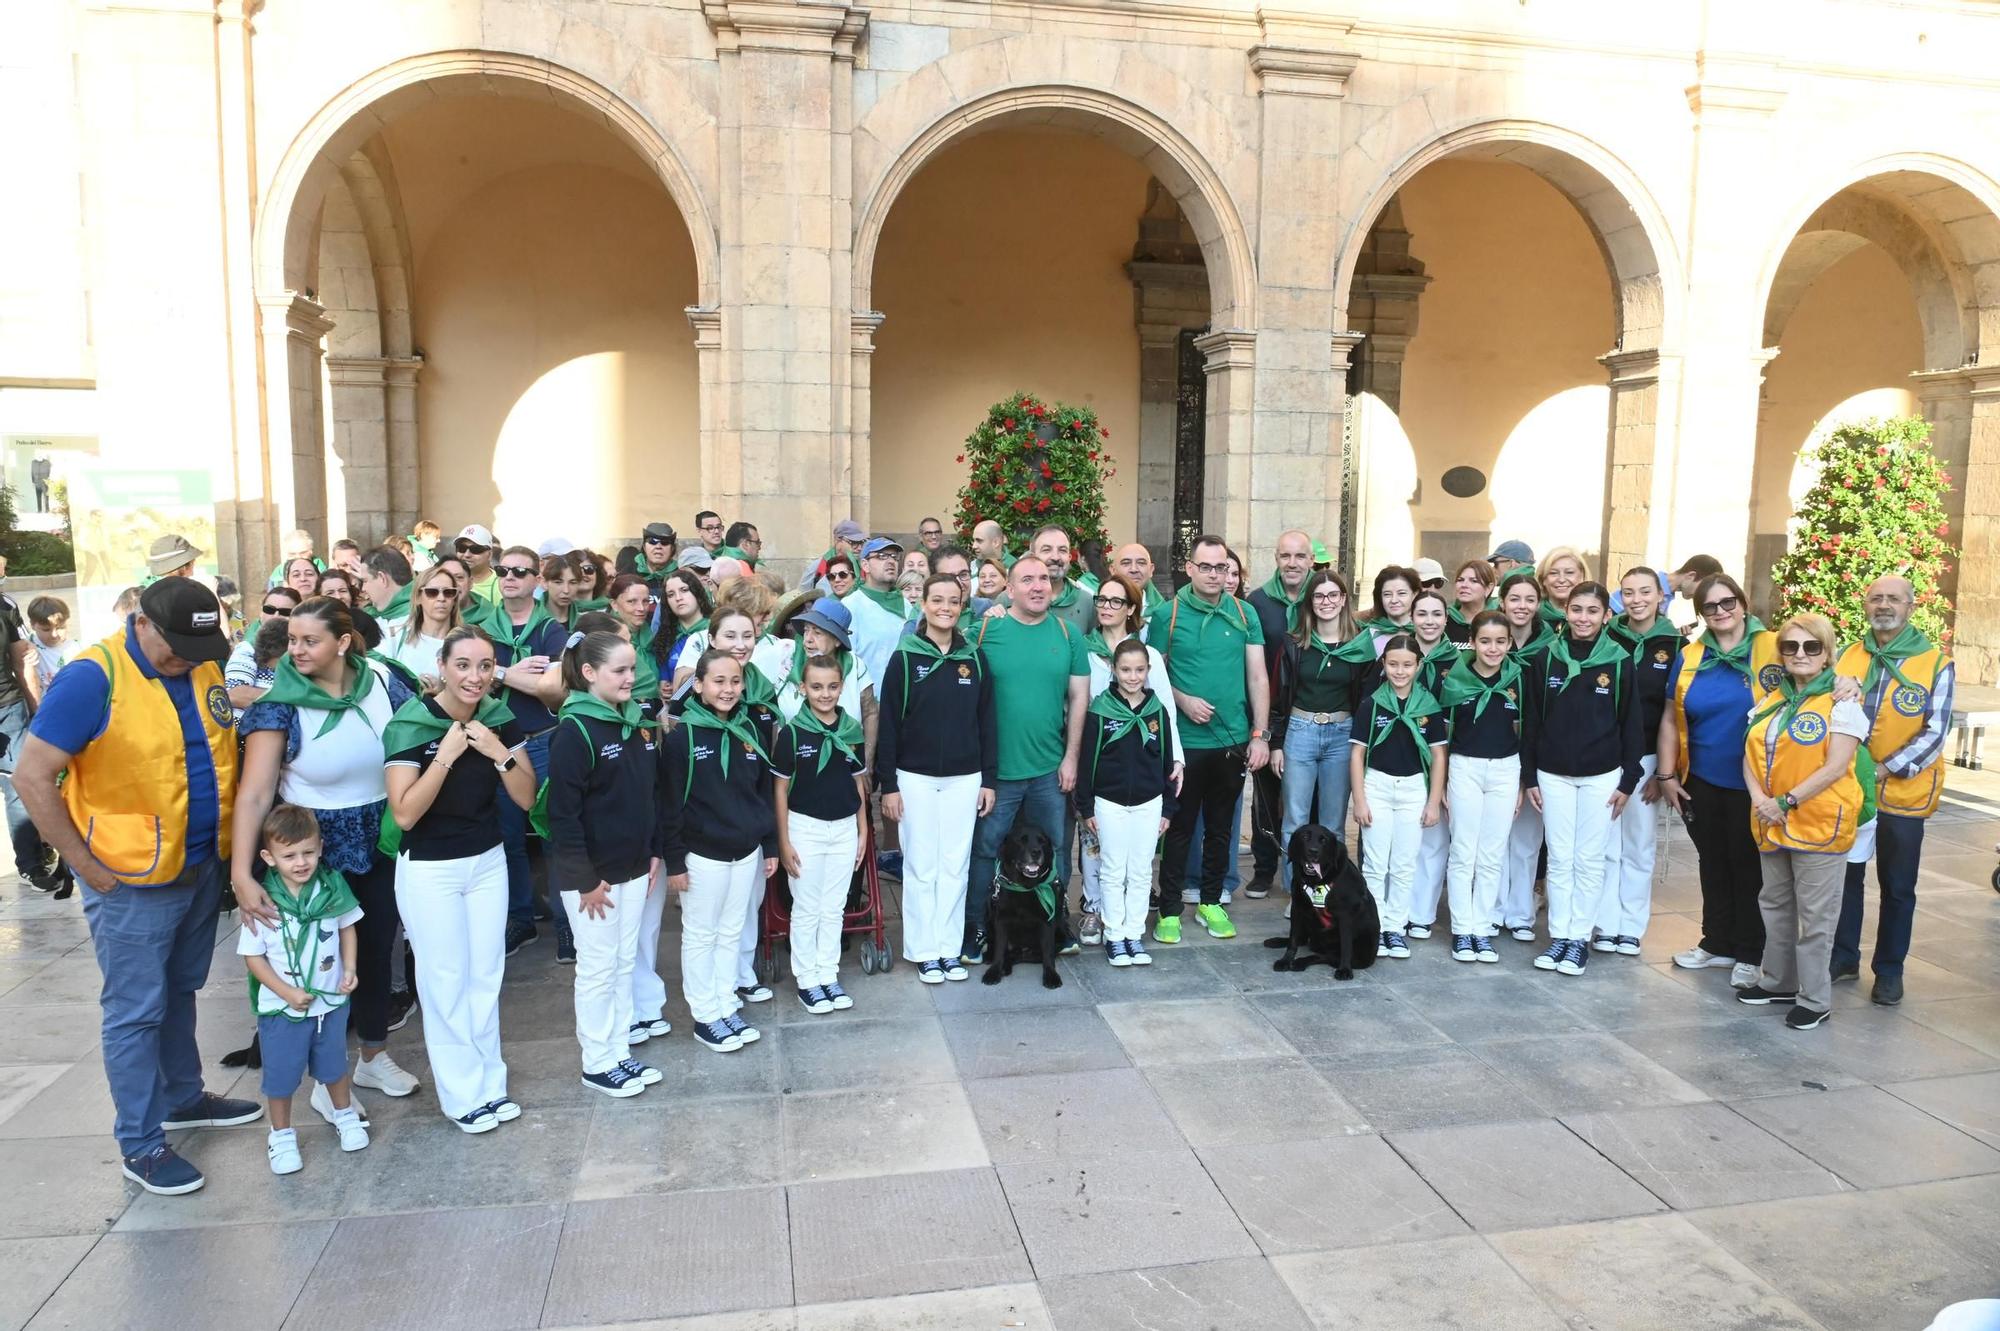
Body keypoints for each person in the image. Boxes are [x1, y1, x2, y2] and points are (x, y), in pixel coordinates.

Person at [13, 578, 255, 1195]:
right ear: (141, 622)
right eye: (175, 647)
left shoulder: (200, 662)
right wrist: (85, 866)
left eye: (197, 649)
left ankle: (183, 1098)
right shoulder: (92, 677)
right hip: (129, 877)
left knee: (180, 990)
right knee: (134, 1011)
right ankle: (141, 1144)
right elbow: (32, 776)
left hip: (198, 864)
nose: (185, 659)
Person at [234, 596, 422, 1106]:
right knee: (318, 959)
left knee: (375, 950)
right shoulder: (278, 703)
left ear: (342, 643)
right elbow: (253, 795)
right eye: (292, 640)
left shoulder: (384, 680)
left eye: (309, 641)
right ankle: (326, 1079)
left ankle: (373, 1057)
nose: (296, 650)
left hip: (382, 835)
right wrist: (242, 875)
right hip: (310, 849)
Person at [382, 625, 536, 1130]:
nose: (475, 676)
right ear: (443, 667)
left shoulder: (497, 718)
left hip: (487, 861)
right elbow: (405, 814)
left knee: (486, 975)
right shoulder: (411, 723)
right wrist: (445, 757)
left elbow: (526, 797)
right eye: (463, 665)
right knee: (445, 980)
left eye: (485, 666)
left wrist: (497, 751)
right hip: (431, 869)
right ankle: (462, 1095)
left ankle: (491, 1084)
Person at [544, 630, 664, 1096]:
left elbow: (647, 795)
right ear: (590, 673)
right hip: (595, 880)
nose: (630, 678)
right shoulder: (574, 731)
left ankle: (618, 1051)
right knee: (597, 969)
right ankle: (597, 1061)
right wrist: (585, 881)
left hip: (633, 867)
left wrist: (652, 850)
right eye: (620, 671)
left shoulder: (634, 722)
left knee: (623, 962)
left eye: (632, 669)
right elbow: (563, 816)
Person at [1740, 612, 1871, 1029]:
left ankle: (1815, 999)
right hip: (1771, 819)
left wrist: (1786, 800)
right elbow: (1750, 754)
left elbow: (1836, 766)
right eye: (1790, 646)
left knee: (1816, 917)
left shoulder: (1842, 702)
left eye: (1811, 646)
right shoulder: (1772, 699)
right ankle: (1778, 980)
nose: (1800, 654)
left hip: (1819, 822)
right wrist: (1761, 800)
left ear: (1827, 653)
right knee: (1775, 904)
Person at [1831, 575, 1953, 1006]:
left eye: (1894, 599)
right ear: (1866, 605)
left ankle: (1889, 970)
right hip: (1851, 790)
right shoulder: (1848, 654)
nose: (1884, 606)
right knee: (1847, 877)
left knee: (1898, 886)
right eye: (1876, 598)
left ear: (1910, 607)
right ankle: (1843, 957)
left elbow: (1935, 732)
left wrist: (1883, 769)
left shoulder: (1935, 663)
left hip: (1905, 791)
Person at [963, 556, 1087, 962]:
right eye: (1027, 579)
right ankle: (977, 929)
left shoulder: (1068, 634)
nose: (1038, 586)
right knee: (986, 850)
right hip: (997, 773)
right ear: (1009, 589)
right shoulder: (985, 630)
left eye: (1044, 579)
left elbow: (1079, 698)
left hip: (1050, 770)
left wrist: (1071, 758)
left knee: (1056, 850)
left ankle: (1056, 926)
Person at [1148, 534, 1269, 944]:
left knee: (1220, 828)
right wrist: (1182, 700)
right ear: (1190, 568)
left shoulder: (1245, 613)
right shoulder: (1167, 615)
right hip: (1184, 744)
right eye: (1206, 566)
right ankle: (1169, 909)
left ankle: (1211, 901)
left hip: (1232, 740)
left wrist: (1260, 735)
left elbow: (1258, 676)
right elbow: (1151, 677)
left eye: (1221, 567)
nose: (1214, 574)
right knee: (1179, 828)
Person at [1660, 573, 1779, 988]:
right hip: (1702, 778)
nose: (1720, 611)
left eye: (1727, 602)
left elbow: (1814, 680)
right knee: (1712, 861)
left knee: (1748, 866)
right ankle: (1717, 941)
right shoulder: (1692, 655)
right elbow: (1670, 717)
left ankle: (1750, 950)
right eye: (1709, 606)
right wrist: (1666, 774)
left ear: (1742, 603)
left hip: (1756, 782)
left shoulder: (1774, 647)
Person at [878, 573, 997, 979]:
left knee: (954, 864)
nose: (945, 608)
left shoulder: (974, 659)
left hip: (965, 777)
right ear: (923, 604)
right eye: (937, 600)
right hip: (915, 777)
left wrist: (988, 780)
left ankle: (948, 948)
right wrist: (889, 785)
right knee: (921, 864)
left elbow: (987, 722)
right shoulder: (905, 658)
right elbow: (889, 724)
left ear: (962, 606)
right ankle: (924, 949)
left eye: (953, 601)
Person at [660, 649, 780, 1052]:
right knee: (701, 935)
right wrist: (675, 862)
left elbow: (762, 792)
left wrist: (768, 844)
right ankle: (705, 1015)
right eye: (718, 681)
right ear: (698, 685)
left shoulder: (750, 730)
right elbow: (670, 803)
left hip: (745, 851)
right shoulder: (683, 738)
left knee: (731, 930)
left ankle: (726, 1002)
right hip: (702, 855)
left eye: (735, 681)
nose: (728, 689)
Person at [239, 804, 369, 1173]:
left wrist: (350, 968)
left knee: (334, 1064)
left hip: (329, 1002)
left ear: (321, 848)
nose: (301, 862)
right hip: (283, 1008)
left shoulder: (331, 888)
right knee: (281, 1075)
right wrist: (286, 992)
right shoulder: (262, 902)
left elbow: (347, 926)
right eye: (289, 855)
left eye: (308, 852)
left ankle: (344, 1114)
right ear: (269, 857)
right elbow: (253, 958)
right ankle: (281, 1135)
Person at [1521, 580, 1642, 975]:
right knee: (1559, 858)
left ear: (1606, 616)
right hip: (1552, 774)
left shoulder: (1619, 661)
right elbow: (1532, 721)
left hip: (1601, 775)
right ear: (1565, 611)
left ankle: (1578, 940)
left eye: (1592, 611)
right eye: (1577, 609)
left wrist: (1628, 780)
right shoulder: (1547, 657)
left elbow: (1631, 723)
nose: (1583, 618)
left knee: (1589, 859)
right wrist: (1530, 776)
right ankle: (1559, 936)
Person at [472, 547, 570, 957]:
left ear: (536, 580)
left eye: (519, 571)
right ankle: (520, 919)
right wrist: (511, 674)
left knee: (553, 835)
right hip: (498, 742)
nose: (509, 577)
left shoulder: (551, 630)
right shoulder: (482, 630)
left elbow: (554, 688)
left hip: (544, 739)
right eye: (502, 570)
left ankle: (566, 925)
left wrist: (496, 673)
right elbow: (471, 680)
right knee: (508, 836)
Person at [1075, 637, 1180, 966]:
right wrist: (1086, 806)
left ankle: (1134, 933)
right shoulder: (1100, 711)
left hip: (1149, 802)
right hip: (1110, 802)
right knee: (1112, 869)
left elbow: (1166, 761)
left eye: (1139, 670)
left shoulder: (1157, 711)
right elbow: (1087, 761)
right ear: (1114, 671)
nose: (1132, 677)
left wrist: (1167, 807)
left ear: (1148, 671)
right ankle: (1114, 934)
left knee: (1141, 871)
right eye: (1125, 670)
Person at [773, 653, 869, 1010]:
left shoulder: (851, 730)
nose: (825, 694)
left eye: (832, 687)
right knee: (807, 906)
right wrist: (784, 840)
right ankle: (807, 979)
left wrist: (862, 829)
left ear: (841, 688)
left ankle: (828, 974)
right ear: (803, 688)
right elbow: (780, 789)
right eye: (816, 687)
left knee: (834, 906)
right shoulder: (792, 733)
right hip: (805, 828)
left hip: (843, 828)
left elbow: (858, 782)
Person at [1596, 566, 1681, 954]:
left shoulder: (1676, 644)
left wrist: (1665, 770)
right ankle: (1605, 922)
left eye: (1645, 591)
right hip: (1606, 755)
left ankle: (1630, 926)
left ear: (1661, 595)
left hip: (1647, 755)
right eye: (1628, 592)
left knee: (1638, 843)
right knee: (1605, 843)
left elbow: (1675, 713)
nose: (1637, 600)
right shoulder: (1607, 635)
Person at [1349, 633, 1447, 959]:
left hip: (1413, 789)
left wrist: (1433, 801)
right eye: (1393, 664)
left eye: (1407, 665)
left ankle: (1395, 927)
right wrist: (1359, 799)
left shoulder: (1428, 706)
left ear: (1418, 666)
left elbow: (1438, 756)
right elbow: (1357, 754)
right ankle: (1374, 926)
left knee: (1404, 864)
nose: (1400, 671)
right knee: (1375, 864)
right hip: (1377, 787)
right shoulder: (1371, 704)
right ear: (1384, 665)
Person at [1440, 610, 1520, 962]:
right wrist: (1442, 782)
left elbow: (1525, 731)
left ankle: (1482, 927)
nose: (1493, 648)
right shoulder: (1456, 680)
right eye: (1485, 641)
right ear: (1471, 642)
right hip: (1465, 768)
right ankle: (1462, 928)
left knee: (1492, 852)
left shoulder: (1518, 679)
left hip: (1505, 769)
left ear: (1510, 643)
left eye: (1500, 641)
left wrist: (1522, 783)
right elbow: (1444, 736)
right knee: (1463, 851)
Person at [1244, 531, 1313, 899]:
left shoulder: (1323, 596)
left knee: (1308, 800)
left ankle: (1309, 870)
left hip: (1311, 711)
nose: (1292, 563)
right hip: (1269, 712)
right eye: (1285, 556)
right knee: (1266, 797)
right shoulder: (1257, 602)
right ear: (1276, 558)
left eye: (1300, 556)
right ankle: (1263, 868)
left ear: (1311, 560)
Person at [1283, 570, 1363, 869]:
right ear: (1310, 601)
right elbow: (1281, 693)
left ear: (1343, 599)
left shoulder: (1359, 644)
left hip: (1342, 733)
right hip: (1300, 729)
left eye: (1332, 595)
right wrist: (1275, 742)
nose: (1326, 601)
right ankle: (1295, 889)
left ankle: (1330, 887)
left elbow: (1364, 696)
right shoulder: (1295, 642)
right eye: (1318, 596)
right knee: (1295, 819)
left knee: (1334, 824)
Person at [1496, 567, 1554, 939]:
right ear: (1502, 602)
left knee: (1528, 840)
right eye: (1514, 598)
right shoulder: (1489, 642)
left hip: (1535, 750)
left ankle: (1520, 913)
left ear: (1538, 604)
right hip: (1495, 751)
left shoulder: (1550, 649)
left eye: (1529, 599)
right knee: (1495, 839)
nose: (1521, 605)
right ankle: (1493, 909)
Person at [1400, 589, 1461, 938]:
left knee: (1434, 839)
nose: (1429, 621)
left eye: (1436, 614)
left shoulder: (1459, 663)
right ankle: (1398, 909)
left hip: (1441, 758)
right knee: (1404, 839)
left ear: (1446, 619)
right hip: (1402, 758)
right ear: (1411, 618)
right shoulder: (1399, 655)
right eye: (1422, 614)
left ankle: (1422, 913)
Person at [0, 559, 64, 893]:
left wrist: (37, 711)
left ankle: (31, 864)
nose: (3, 573)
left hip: (8, 707)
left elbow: (22, 659)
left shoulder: (6, 606)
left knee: (20, 786)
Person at [844, 536, 909, 688]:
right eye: (882, 556)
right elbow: (847, 659)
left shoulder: (907, 605)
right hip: (866, 697)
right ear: (865, 565)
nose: (891, 561)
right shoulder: (851, 605)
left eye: (894, 557)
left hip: (902, 696)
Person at [226, 585, 302, 714]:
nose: (276, 616)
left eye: (285, 612)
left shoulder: (304, 652)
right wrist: (300, 698)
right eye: (269, 610)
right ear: (261, 613)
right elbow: (235, 695)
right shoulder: (248, 648)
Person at [359, 545, 414, 633]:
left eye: (365, 581)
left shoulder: (422, 617)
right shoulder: (368, 616)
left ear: (382, 578)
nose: (363, 588)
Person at [805, 519, 866, 591]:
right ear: (838, 540)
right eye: (854, 543)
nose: (859, 548)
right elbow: (802, 595)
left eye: (861, 542)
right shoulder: (816, 566)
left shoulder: (865, 565)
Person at [1112, 543, 1167, 616]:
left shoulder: (1164, 613)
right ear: (1113, 571)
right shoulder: (1100, 607)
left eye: (1141, 563)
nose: (1134, 569)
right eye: (1126, 563)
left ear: (1151, 570)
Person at [623, 522, 679, 593]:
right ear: (644, 547)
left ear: (672, 548)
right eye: (652, 541)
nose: (658, 547)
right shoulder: (628, 573)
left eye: (665, 542)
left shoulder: (680, 575)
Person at [1448, 559, 1494, 642]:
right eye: (1460, 580)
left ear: (1489, 588)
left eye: (1474, 581)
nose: (1464, 585)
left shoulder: (1498, 621)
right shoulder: (1443, 620)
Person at [452, 525, 500, 602]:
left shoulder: (502, 585)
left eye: (475, 549)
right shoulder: (446, 580)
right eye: (462, 548)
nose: (467, 555)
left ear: (490, 554)